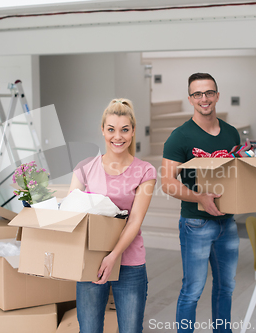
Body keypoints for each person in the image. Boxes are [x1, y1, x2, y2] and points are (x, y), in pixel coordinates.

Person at [160, 73, 241, 332]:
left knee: (226, 288)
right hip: (196, 223)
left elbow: (236, 176)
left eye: (208, 93)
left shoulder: (231, 134)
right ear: (190, 99)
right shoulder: (180, 137)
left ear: (217, 95)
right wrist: (199, 198)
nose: (203, 99)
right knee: (192, 290)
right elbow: (167, 182)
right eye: (197, 94)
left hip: (227, 223)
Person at [69, 98, 157, 333]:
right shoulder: (84, 168)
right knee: (89, 330)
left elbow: (135, 219)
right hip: (91, 261)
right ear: (102, 131)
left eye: (124, 130)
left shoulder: (145, 171)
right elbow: (72, 213)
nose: (117, 137)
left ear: (133, 131)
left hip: (129, 263)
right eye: (111, 130)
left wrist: (113, 255)